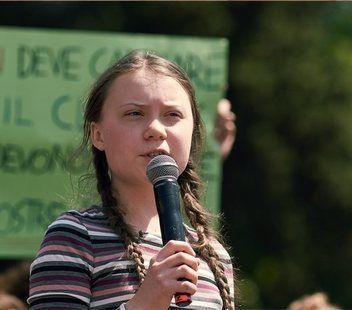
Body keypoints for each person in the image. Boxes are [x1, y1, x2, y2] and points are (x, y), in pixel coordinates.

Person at [28, 50, 235, 309]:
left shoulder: (213, 255)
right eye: (135, 114)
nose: (156, 130)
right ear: (98, 134)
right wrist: (146, 301)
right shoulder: (74, 237)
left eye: (172, 115)